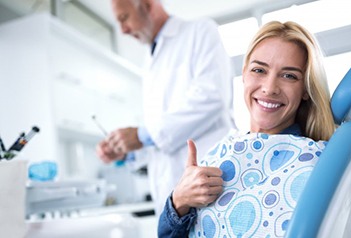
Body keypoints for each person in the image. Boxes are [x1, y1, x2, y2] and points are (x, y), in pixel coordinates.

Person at [157, 20, 336, 237]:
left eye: (289, 76)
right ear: (244, 74)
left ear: (306, 88)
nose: (269, 88)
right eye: (259, 70)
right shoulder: (220, 153)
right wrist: (179, 200)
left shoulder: (317, 160)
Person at [96, 0, 235, 216]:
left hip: (209, 186)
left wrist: (142, 135)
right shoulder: (150, 60)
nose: (123, 30)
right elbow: (162, 137)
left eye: (124, 18)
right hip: (172, 198)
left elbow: (212, 96)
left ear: (148, 5)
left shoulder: (199, 31)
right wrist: (126, 151)